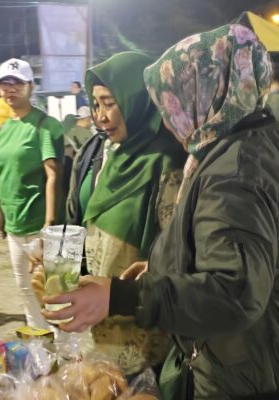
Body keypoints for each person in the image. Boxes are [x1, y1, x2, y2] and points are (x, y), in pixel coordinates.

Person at [44, 24, 279, 399]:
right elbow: (258, 252)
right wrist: (169, 266)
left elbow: (234, 291)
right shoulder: (265, 140)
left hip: (266, 374)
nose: (167, 119)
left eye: (172, 102)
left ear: (205, 94)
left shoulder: (238, 169)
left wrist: (121, 297)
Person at [70, 52, 185, 374]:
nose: (100, 117)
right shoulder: (114, 157)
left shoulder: (167, 159)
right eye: (95, 105)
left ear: (137, 100)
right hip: (101, 319)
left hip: (145, 328)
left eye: (109, 102)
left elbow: (176, 253)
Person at [0, 58, 64, 329]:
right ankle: (40, 349)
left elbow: (52, 175)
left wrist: (48, 227)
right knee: (25, 290)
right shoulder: (4, 131)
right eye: (5, 83)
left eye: (17, 83)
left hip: (39, 224)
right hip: (14, 228)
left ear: (30, 86)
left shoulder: (45, 125)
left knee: (54, 292)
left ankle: (65, 352)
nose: (10, 89)